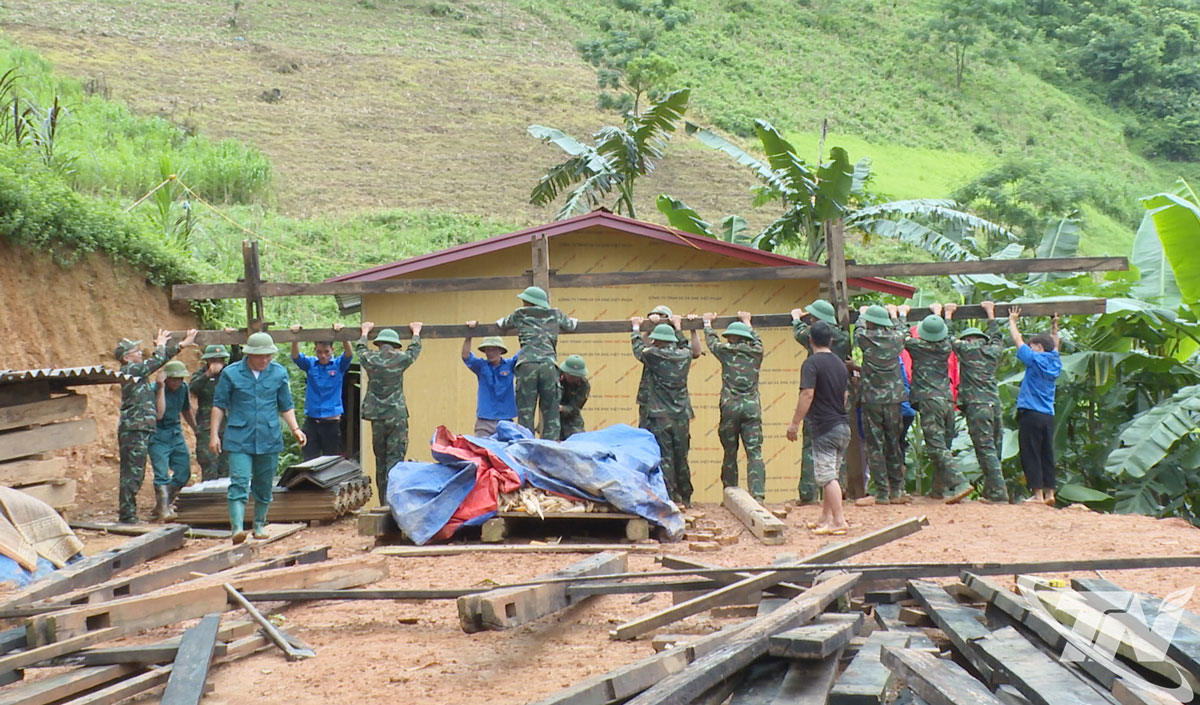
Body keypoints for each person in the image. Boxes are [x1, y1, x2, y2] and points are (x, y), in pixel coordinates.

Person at [210, 331, 305, 543]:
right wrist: (214, 434)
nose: (265, 360)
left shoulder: (278, 373)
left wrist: (295, 429)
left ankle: (259, 524)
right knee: (240, 481)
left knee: (263, 485)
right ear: (249, 354)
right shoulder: (231, 374)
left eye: (268, 356)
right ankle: (237, 529)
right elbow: (219, 404)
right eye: (261, 356)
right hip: (238, 438)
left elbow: (286, 405)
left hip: (268, 437)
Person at [115, 328, 197, 524]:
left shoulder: (137, 373)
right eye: (135, 351)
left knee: (135, 473)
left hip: (140, 429)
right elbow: (156, 362)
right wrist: (165, 344)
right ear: (126, 358)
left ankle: (131, 513)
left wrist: (178, 346)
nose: (139, 353)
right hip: (134, 429)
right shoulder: (130, 370)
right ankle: (127, 516)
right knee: (132, 474)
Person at [900, 304, 971, 501]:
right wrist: (945, 315)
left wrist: (902, 314)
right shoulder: (947, 345)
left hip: (929, 401)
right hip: (947, 400)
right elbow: (950, 334)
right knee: (944, 446)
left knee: (936, 446)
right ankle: (938, 490)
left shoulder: (916, 346)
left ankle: (960, 483)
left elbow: (902, 334)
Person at [786, 321, 850, 535]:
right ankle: (825, 517)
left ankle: (839, 521)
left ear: (810, 339)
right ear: (831, 340)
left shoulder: (811, 363)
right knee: (830, 474)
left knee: (826, 476)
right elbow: (845, 395)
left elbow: (807, 394)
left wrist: (795, 423)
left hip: (824, 427)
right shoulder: (840, 364)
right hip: (842, 426)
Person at [496, 286, 578, 439]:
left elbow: (502, 324)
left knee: (525, 411)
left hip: (527, 364)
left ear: (528, 302)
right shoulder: (555, 313)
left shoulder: (520, 314)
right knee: (551, 412)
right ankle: (550, 447)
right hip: (548, 364)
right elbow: (572, 325)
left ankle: (525, 445)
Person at [948, 301, 1009, 503]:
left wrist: (948, 314)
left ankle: (999, 493)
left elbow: (948, 338)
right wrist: (990, 313)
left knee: (985, 450)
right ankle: (992, 491)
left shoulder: (966, 350)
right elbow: (997, 336)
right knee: (995, 448)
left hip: (977, 405)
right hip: (994, 403)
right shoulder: (993, 351)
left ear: (968, 339)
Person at [631, 315, 695, 506]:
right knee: (681, 456)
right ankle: (686, 496)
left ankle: (668, 497)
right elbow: (687, 346)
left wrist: (636, 328)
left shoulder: (654, 355)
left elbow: (638, 349)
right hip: (681, 415)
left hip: (660, 416)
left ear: (658, 340)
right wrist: (678, 326)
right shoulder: (685, 355)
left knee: (665, 457)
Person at [356, 321, 422, 505]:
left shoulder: (370, 359)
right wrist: (416, 332)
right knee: (395, 460)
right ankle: (394, 503)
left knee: (381, 460)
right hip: (396, 416)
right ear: (394, 344)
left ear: (378, 344)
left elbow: (360, 349)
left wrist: (364, 332)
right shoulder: (400, 359)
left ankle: (383, 502)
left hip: (377, 417)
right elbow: (414, 351)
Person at [703, 310, 766, 501]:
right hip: (751, 408)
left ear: (730, 338)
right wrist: (747, 321)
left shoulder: (725, 351)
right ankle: (758, 496)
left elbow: (712, 342)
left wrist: (707, 323)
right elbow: (758, 341)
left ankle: (730, 494)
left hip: (730, 407)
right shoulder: (756, 353)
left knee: (730, 452)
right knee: (754, 453)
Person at [855, 303, 909, 504]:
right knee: (893, 444)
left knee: (875, 446)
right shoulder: (896, 340)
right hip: (894, 400)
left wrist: (861, 314)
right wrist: (899, 314)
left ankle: (881, 492)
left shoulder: (865, 338)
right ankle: (897, 490)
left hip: (872, 400)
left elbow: (858, 329)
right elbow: (903, 329)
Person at [1009, 306, 1063, 505]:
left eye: (1033, 346)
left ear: (1039, 347)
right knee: (1046, 452)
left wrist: (1013, 321)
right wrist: (1054, 325)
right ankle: (1050, 494)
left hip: (1031, 413)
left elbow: (1017, 341)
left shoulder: (1034, 359)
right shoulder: (1054, 361)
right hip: (1048, 415)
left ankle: (1038, 495)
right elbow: (1055, 344)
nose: (1030, 348)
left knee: (1031, 453)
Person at [289, 324, 353, 460]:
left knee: (330, 462)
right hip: (312, 421)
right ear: (315, 351)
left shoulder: (338, 365)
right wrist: (295, 337)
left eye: (326, 352)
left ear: (332, 350)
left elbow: (349, 354)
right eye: (319, 352)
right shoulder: (311, 364)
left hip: (331, 423)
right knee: (309, 460)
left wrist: (343, 336)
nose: (323, 355)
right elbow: (295, 356)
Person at [637, 305, 701, 427]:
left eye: (663, 317)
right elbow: (645, 349)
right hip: (652, 400)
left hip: (675, 401)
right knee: (649, 436)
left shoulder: (676, 339)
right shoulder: (654, 346)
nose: (660, 319)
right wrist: (649, 328)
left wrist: (693, 328)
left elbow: (695, 353)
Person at [149, 360, 197, 519]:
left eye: (180, 379)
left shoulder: (183, 388)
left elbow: (186, 409)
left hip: (175, 433)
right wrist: (161, 388)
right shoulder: (153, 390)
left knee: (183, 472)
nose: (178, 382)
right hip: (158, 434)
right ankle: (163, 509)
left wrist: (195, 428)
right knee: (161, 474)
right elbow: (159, 414)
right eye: (174, 379)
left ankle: (163, 504)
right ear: (166, 378)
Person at [191, 344, 239, 481]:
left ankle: (222, 501)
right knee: (209, 465)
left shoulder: (229, 374)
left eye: (221, 359)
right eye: (214, 360)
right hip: (207, 428)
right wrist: (208, 375)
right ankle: (208, 500)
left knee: (226, 467)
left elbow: (239, 362)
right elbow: (193, 389)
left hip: (229, 427)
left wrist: (234, 344)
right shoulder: (201, 374)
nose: (218, 363)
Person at [462, 324, 520, 436]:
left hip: (506, 420)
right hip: (484, 421)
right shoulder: (481, 366)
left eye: (493, 349)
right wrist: (469, 334)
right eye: (487, 350)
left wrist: (530, 331)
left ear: (500, 351)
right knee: (481, 451)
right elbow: (466, 356)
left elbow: (524, 352)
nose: (490, 353)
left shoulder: (510, 365)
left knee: (506, 452)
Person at [558, 355, 591, 439]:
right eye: (570, 375)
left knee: (578, 439)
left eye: (576, 376)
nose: (573, 378)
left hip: (571, 416)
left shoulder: (584, 385)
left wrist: (562, 408)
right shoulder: (555, 377)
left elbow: (575, 408)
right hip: (553, 415)